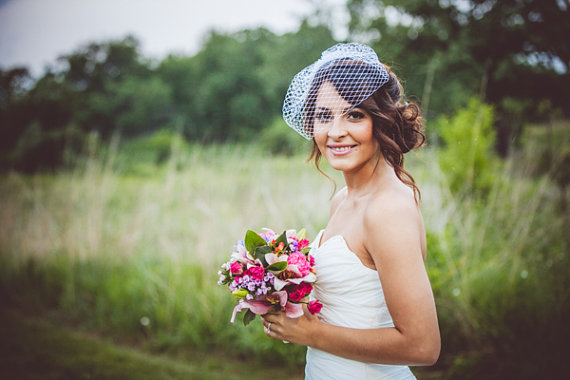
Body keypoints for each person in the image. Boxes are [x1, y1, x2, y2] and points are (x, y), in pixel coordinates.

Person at [261, 43, 440, 379]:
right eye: (323, 115)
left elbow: (423, 346)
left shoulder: (387, 210)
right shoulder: (343, 199)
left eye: (355, 114)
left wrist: (313, 334)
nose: (335, 131)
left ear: (382, 121)